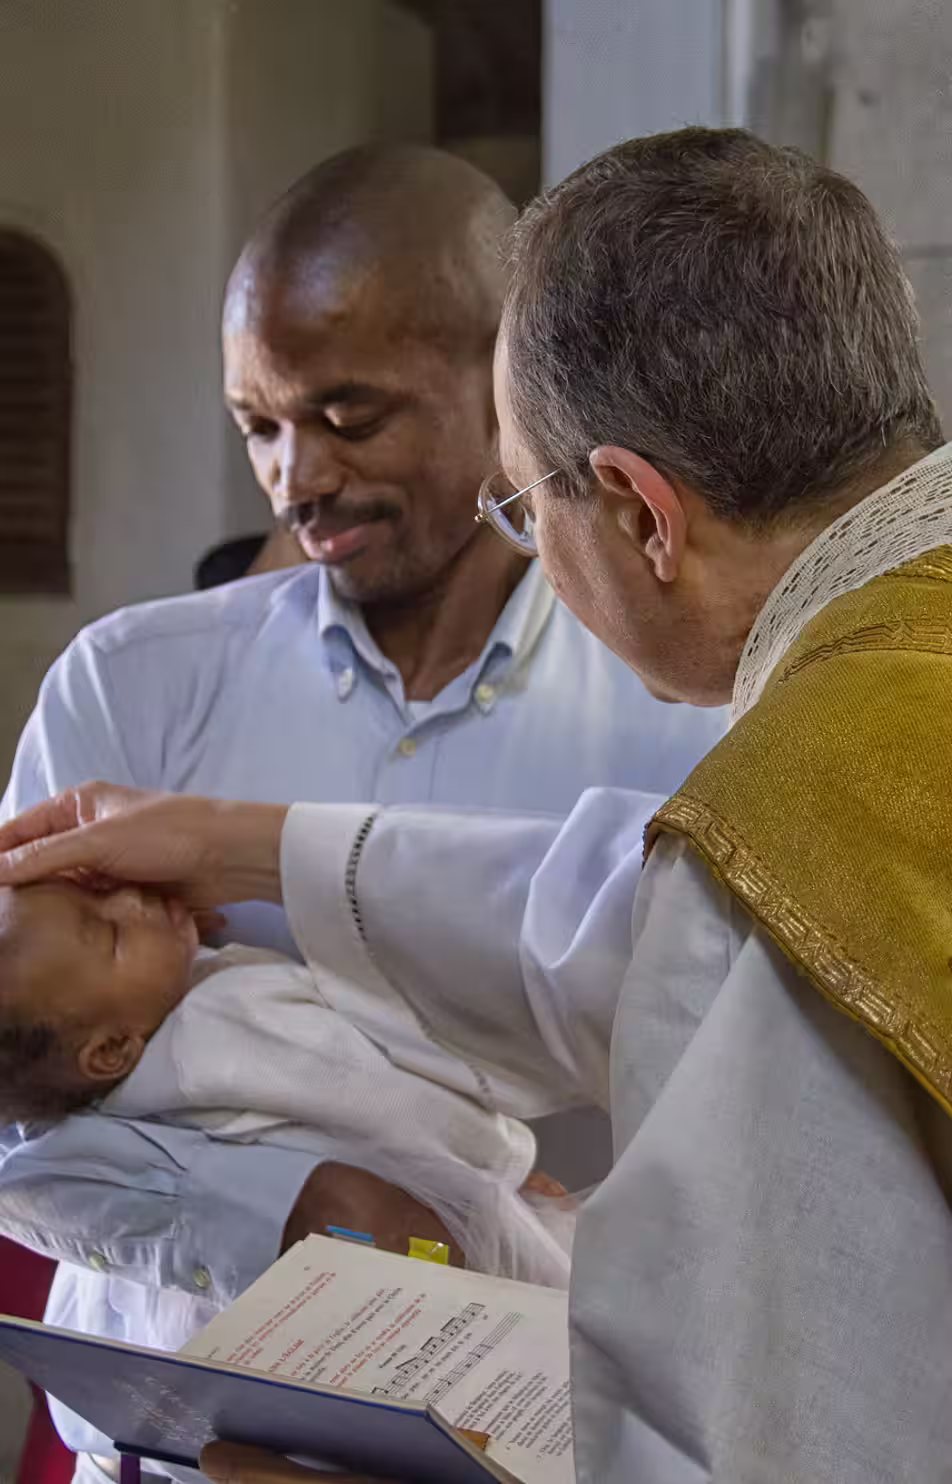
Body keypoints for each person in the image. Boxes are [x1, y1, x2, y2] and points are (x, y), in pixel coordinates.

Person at [5, 126, 952, 1484]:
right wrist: (239, 846)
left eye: (522, 500)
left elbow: (771, 1426)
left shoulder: (796, 795)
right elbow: (607, 925)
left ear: (639, 514)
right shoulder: (879, 711)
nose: (298, 477)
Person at [0, 876, 572, 1286]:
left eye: (98, 890)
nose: (132, 897)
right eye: (112, 934)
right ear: (110, 1050)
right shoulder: (221, 1023)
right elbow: (388, 1098)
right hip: (450, 1237)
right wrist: (502, 1161)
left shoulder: (106, 1101)